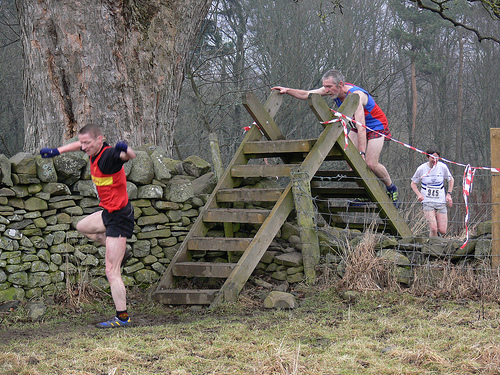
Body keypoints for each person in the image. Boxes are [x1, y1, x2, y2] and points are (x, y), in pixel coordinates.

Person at [41, 124, 136, 328]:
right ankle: (121, 252)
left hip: (120, 217)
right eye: (82, 142)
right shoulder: (92, 149)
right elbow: (78, 144)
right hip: (108, 214)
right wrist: (57, 151)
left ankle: (123, 318)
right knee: (82, 226)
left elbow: (129, 156)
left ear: (100, 140)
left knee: (111, 270)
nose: (83, 147)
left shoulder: (109, 156)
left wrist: (125, 148)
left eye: (87, 143)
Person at [272, 69, 400, 207]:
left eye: (329, 87)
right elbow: (306, 94)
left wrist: (361, 153)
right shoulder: (333, 90)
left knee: (370, 163)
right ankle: (364, 194)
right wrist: (287, 90)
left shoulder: (356, 96)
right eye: (325, 86)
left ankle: (391, 188)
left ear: (340, 84)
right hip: (357, 126)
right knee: (351, 160)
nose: (326, 90)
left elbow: (362, 126)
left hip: (375, 126)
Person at [411, 148, 454, 237]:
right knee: (433, 228)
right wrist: (419, 194)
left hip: (440, 201)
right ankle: (433, 248)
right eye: (432, 157)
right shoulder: (421, 168)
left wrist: (449, 194)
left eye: (437, 157)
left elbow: (451, 179)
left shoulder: (442, 167)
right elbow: (413, 183)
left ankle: (437, 240)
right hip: (427, 201)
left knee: (442, 230)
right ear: (428, 157)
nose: (435, 160)